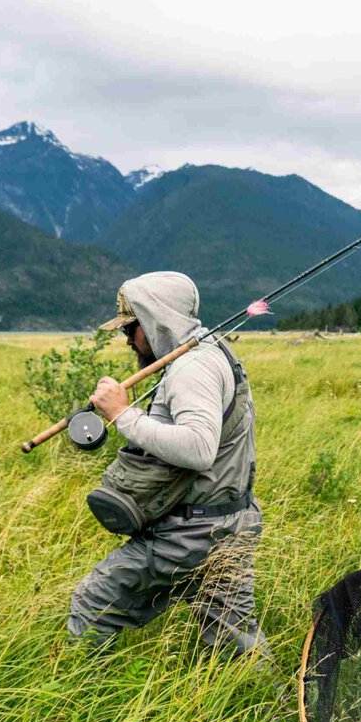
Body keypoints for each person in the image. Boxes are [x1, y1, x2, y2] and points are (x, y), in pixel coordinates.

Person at [67, 270, 267, 658]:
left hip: (191, 534)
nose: (128, 339)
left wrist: (122, 415)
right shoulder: (208, 351)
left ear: (156, 320)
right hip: (226, 522)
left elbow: (198, 448)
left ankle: (77, 688)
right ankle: (272, 698)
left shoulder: (193, 368)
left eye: (132, 327)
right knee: (234, 642)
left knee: (93, 605)